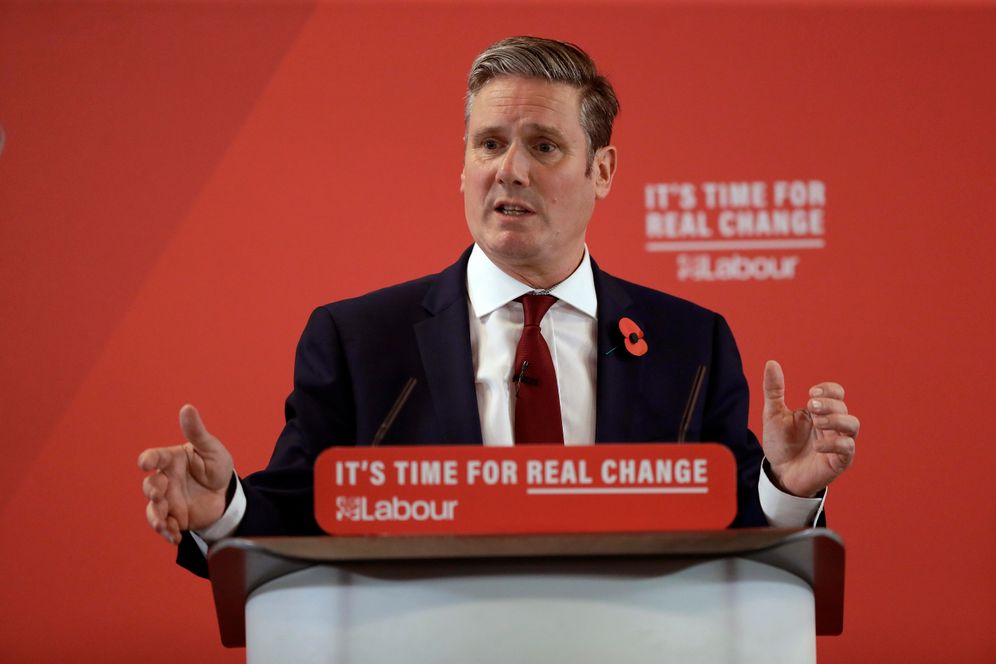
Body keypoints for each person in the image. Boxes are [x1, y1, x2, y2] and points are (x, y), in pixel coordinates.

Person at [139, 37, 859, 577]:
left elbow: (728, 522)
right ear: (462, 165)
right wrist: (223, 509)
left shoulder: (687, 341)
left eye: (543, 145)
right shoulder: (361, 340)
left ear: (600, 170)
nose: (508, 169)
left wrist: (782, 490)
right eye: (489, 143)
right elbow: (302, 515)